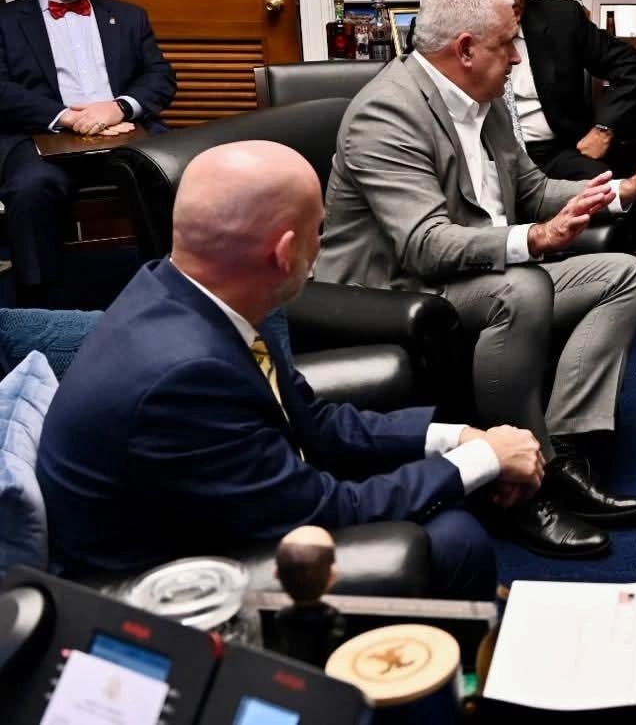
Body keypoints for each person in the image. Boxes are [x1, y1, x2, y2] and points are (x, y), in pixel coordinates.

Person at [36, 141, 544, 599]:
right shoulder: (185, 378)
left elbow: (309, 419)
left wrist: (457, 438)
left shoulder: (188, 293)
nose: (322, 244)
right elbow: (321, 511)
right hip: (153, 588)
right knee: (454, 539)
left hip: (218, 504)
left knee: (449, 496)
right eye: (318, 230)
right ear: (283, 253)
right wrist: (483, 460)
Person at [316, 0, 636, 558]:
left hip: (477, 275)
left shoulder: (485, 102)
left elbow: (534, 190)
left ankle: (561, 451)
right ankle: (516, 489)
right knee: (521, 288)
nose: (518, 58)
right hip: (395, 293)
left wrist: (629, 188)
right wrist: (535, 240)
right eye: (506, 44)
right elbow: (423, 245)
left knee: (622, 275)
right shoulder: (387, 112)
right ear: (465, 49)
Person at [0, 0, 176, 308]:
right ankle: (40, 305)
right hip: (43, 136)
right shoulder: (6, 22)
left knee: (184, 168)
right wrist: (69, 118)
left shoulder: (128, 16)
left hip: (125, 133)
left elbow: (160, 76)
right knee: (30, 188)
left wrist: (119, 108)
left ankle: (181, 284)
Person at [459, 0, 636, 179]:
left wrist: (605, 128)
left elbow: (632, 65)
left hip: (556, 153)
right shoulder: (452, 28)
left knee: (601, 186)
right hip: (484, 154)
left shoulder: (561, 19)